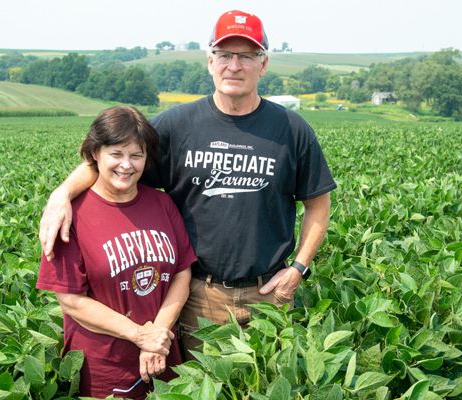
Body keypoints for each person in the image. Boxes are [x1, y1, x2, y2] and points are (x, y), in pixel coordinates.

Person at [40, 10, 336, 357]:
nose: (234, 66)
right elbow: (113, 162)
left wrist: (298, 269)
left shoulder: (291, 129)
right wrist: (62, 195)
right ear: (210, 61)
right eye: (225, 55)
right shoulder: (175, 126)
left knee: (269, 383)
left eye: (246, 56)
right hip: (198, 294)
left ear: (263, 64)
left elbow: (318, 204)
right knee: (200, 384)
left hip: (269, 292)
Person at [36, 106, 196, 399]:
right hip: (104, 366)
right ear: (95, 153)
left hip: (163, 356)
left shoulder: (162, 204)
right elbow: (71, 301)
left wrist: (157, 336)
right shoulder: (71, 214)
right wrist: (140, 336)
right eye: (116, 153)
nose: (127, 165)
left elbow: (182, 274)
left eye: (137, 155)